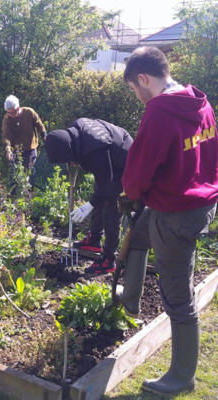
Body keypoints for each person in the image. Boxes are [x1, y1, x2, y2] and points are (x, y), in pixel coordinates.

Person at [118, 46, 218, 395]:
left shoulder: (159, 112)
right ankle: (130, 298)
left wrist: (131, 192)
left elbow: (136, 176)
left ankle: (181, 376)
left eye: (134, 88)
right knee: (138, 235)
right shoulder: (199, 102)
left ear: (143, 78)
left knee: (177, 296)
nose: (136, 95)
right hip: (199, 202)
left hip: (175, 213)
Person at [44, 118, 133, 274]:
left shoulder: (95, 150)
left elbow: (106, 184)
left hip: (124, 161)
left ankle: (108, 259)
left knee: (111, 211)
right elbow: (100, 178)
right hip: (108, 155)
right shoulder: (75, 129)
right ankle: (94, 240)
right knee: (98, 197)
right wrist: (74, 158)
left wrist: (89, 205)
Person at [2, 95, 47, 191]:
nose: (11, 115)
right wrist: (8, 150)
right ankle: (13, 196)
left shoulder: (29, 112)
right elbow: (6, 135)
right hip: (16, 150)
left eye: (13, 112)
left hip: (30, 148)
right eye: (8, 113)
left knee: (30, 174)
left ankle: (29, 196)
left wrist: (45, 138)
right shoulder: (7, 118)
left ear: (18, 108)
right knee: (14, 175)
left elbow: (40, 126)